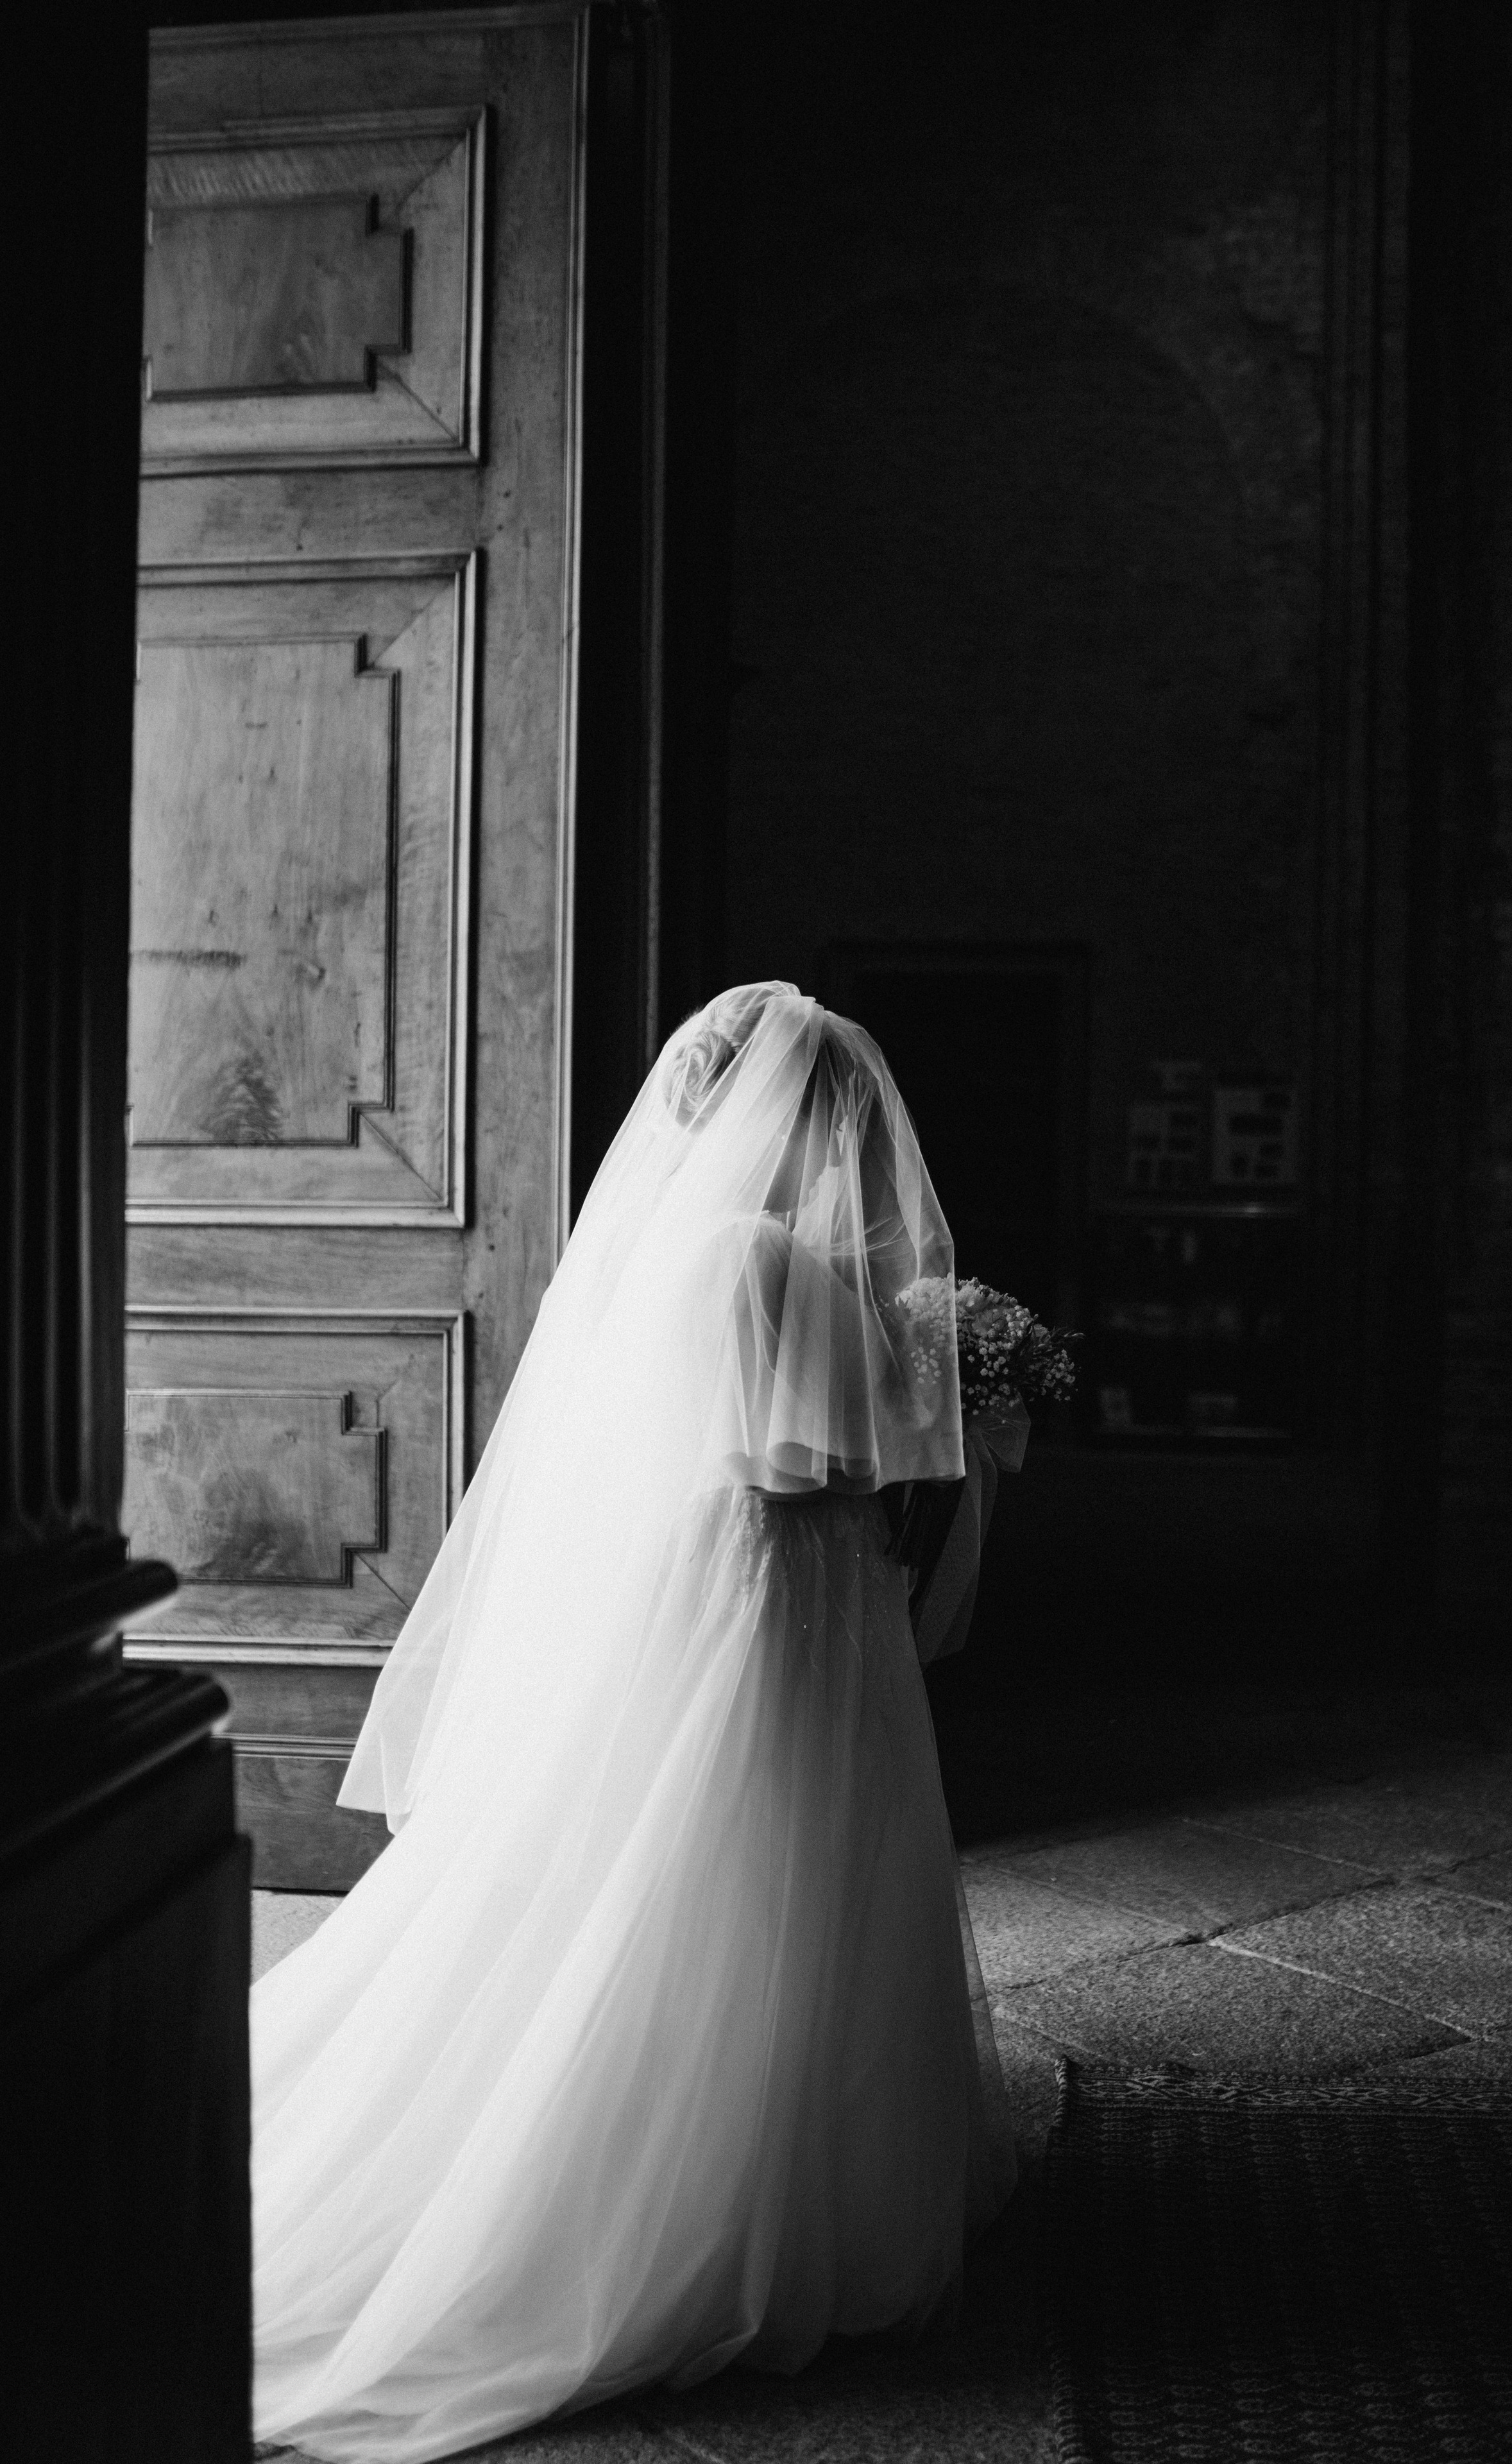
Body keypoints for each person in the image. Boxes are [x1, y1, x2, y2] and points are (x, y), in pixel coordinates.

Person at [251, 982, 1017, 2462]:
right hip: (769, 1598)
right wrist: (948, 1417)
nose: (857, 1144)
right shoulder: (741, 1254)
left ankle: (786, 2171)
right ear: (784, 1119)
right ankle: (707, 2197)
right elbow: (777, 1457)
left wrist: (944, 1394)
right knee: (743, 1876)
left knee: (795, 1881)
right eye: (838, 1114)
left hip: (795, 1599)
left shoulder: (740, 1252)